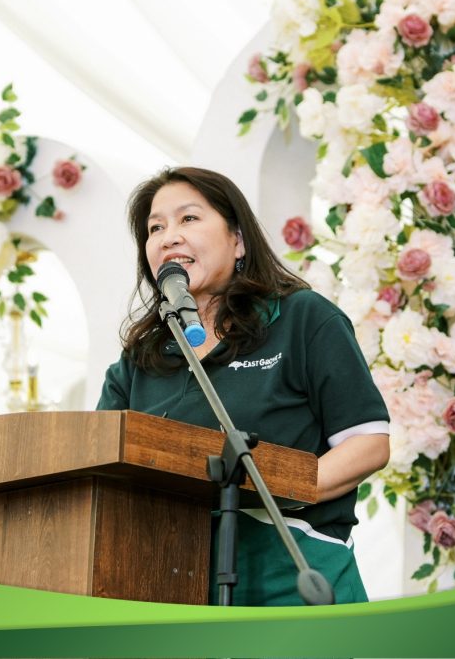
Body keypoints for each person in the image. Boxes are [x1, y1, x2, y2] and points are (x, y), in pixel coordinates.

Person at [96, 166, 390, 606]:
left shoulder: (302, 319)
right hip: (169, 583)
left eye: (188, 219)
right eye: (155, 228)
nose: (168, 236)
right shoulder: (139, 359)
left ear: (238, 241)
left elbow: (368, 443)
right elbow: (102, 465)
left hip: (292, 576)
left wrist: (270, 483)